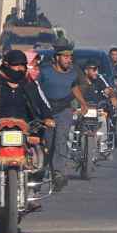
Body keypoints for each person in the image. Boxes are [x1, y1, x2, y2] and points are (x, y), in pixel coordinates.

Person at [35, 44, 80, 186]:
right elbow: (36, 89)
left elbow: (75, 88)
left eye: (70, 57)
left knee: (61, 139)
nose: (69, 60)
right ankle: (46, 168)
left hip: (64, 110)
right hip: (47, 111)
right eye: (65, 57)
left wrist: (83, 104)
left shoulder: (73, 73)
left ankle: (59, 173)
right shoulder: (45, 71)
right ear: (56, 58)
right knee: (48, 142)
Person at [0, 49, 53, 126]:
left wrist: (48, 117)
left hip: (26, 128)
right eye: (16, 65)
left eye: (22, 65)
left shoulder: (29, 84)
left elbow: (41, 103)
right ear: (6, 64)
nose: (20, 68)